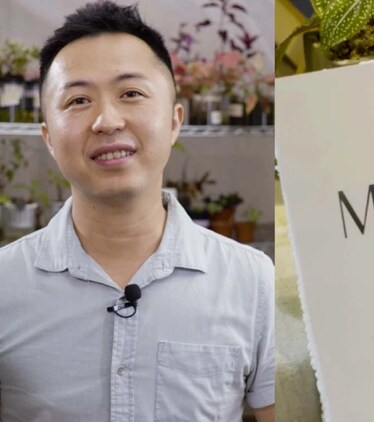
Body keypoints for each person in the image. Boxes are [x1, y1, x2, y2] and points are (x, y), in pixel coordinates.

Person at [0, 2, 275, 421]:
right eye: (77, 100)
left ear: (174, 121)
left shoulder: (253, 282)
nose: (107, 120)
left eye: (131, 93)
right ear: (48, 137)